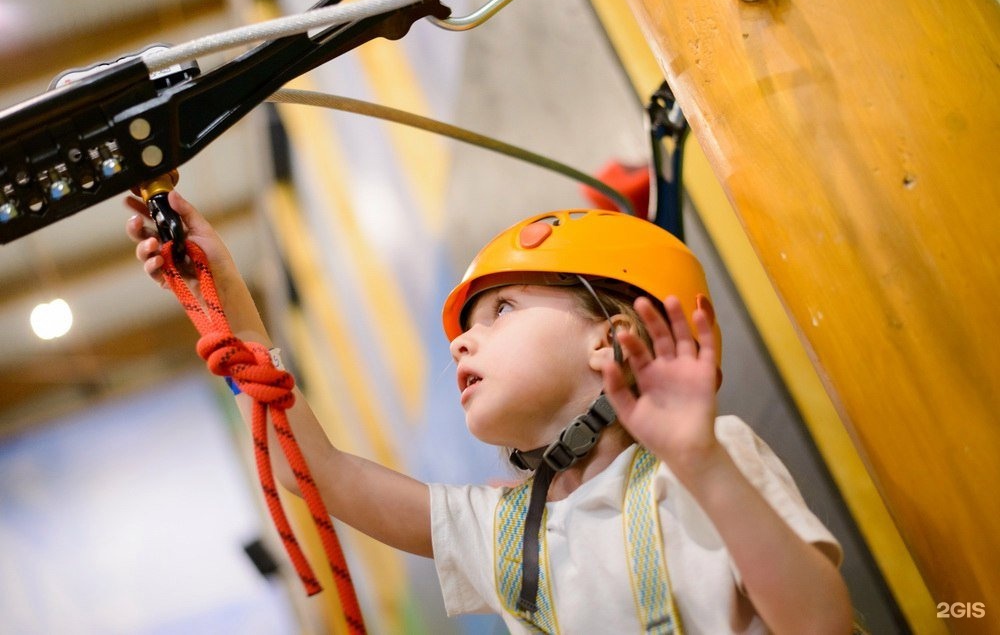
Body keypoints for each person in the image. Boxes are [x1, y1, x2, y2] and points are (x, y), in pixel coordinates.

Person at [126, 191, 853, 634]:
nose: (463, 340)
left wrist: (699, 460)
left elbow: (819, 624)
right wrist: (225, 299)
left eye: (502, 309)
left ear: (611, 338)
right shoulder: (505, 531)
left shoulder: (707, 462)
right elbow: (323, 475)